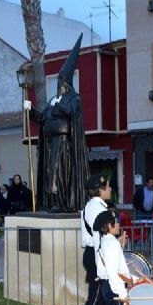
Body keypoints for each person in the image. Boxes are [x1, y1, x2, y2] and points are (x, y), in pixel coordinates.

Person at [24, 34, 88, 213]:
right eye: (58, 80)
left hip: (63, 143)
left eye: (61, 80)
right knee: (48, 172)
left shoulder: (73, 98)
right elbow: (41, 118)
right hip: (49, 142)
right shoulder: (52, 100)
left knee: (57, 172)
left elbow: (71, 113)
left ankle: (61, 202)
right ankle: (50, 201)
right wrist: (30, 110)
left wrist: (59, 105)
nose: (59, 83)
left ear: (67, 82)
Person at [75, 173, 111, 305]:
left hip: (95, 255)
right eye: (108, 186)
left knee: (103, 298)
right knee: (95, 300)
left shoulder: (93, 206)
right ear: (101, 189)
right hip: (97, 256)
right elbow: (99, 239)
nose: (110, 189)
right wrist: (103, 265)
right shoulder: (97, 209)